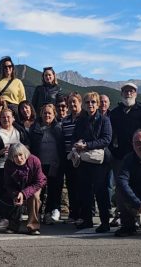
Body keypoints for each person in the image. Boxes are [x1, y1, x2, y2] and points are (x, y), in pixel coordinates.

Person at [108, 83, 141, 227]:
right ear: (121, 94)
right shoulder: (115, 113)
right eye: (126, 91)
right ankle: (120, 214)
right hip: (120, 155)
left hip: (138, 156)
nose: (128, 93)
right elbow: (110, 135)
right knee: (120, 186)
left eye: (131, 91)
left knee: (138, 185)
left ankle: (138, 215)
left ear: (136, 94)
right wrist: (113, 151)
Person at [71, 92, 113, 233]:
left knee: (101, 192)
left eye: (93, 102)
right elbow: (75, 137)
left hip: (100, 162)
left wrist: (87, 145)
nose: (90, 105)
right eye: (88, 102)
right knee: (85, 192)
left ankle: (105, 222)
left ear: (98, 104)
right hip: (85, 161)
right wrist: (77, 144)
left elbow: (106, 139)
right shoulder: (81, 120)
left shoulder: (104, 120)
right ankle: (87, 220)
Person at [0, 108, 29, 229]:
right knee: (0, 192)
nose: (6, 119)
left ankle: (15, 216)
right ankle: (2, 217)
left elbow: (27, 145)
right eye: (3, 117)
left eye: (8, 117)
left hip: (17, 166)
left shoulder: (20, 131)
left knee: (15, 191)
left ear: (13, 118)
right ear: (0, 118)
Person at [29, 104, 65, 224]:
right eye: (45, 113)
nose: (47, 115)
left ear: (54, 115)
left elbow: (62, 147)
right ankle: (37, 213)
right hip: (39, 165)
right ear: (41, 114)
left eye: (49, 113)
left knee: (54, 189)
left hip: (54, 163)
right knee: (40, 190)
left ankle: (50, 212)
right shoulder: (35, 128)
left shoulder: (58, 128)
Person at [3, 143, 47, 235]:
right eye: (15, 156)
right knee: (15, 198)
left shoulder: (35, 161)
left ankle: (33, 227)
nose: (19, 159)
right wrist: (16, 194)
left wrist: (24, 193)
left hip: (34, 185)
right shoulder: (8, 164)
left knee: (34, 197)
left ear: (25, 154)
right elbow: (8, 184)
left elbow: (39, 182)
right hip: (17, 186)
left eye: (20, 155)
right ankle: (13, 226)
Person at [60, 93, 83, 223]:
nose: (72, 105)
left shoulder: (84, 118)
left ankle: (82, 214)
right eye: (70, 102)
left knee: (82, 187)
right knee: (71, 186)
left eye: (75, 102)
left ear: (80, 102)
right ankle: (73, 214)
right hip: (69, 158)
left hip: (81, 158)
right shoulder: (65, 120)